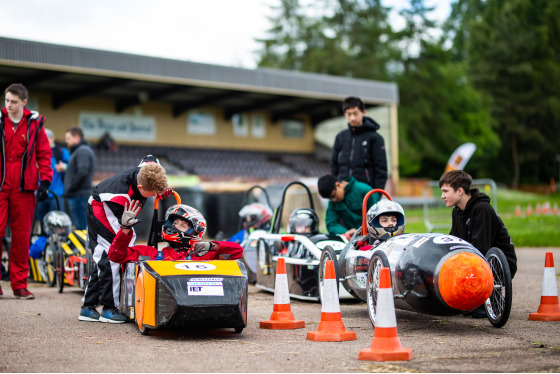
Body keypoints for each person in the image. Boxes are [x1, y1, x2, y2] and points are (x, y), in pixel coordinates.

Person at [79, 157, 171, 323]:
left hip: (120, 209)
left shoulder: (149, 170)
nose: (155, 196)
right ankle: (109, 308)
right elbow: (118, 240)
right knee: (113, 255)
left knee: (124, 249)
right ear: (140, 187)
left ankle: (88, 306)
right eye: (153, 194)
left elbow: (150, 159)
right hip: (102, 208)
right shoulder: (120, 194)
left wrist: (162, 187)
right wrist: (124, 227)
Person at [439, 170, 517, 318]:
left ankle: (487, 300)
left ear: (460, 191)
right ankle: (471, 300)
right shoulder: (457, 211)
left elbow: (481, 248)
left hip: (500, 263)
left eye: (445, 191)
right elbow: (453, 241)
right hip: (476, 259)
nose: (442, 196)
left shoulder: (482, 210)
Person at [0, 83, 52, 299]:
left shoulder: (35, 125)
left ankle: (19, 285)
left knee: (22, 238)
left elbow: (44, 154)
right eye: (6, 101)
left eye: (13, 101)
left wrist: (46, 182)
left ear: (24, 102)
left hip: (24, 188)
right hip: (1, 186)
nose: (8, 105)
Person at [108, 201, 243, 263]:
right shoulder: (150, 254)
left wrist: (211, 246)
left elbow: (237, 252)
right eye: (174, 223)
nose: (176, 226)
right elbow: (116, 256)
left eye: (183, 225)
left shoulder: (205, 256)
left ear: (194, 232)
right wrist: (125, 229)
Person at [331, 96, 388, 190]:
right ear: (345, 114)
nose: (352, 117)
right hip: (343, 190)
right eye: (349, 114)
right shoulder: (340, 137)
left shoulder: (375, 138)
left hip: (365, 191)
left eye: (355, 113)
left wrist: (377, 194)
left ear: (363, 112)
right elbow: (334, 166)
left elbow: (381, 170)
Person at [317, 174, 379, 239]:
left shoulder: (365, 191)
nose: (333, 200)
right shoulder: (333, 202)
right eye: (330, 198)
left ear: (338, 185)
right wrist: (346, 232)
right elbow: (331, 224)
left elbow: (378, 218)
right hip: (352, 240)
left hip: (372, 237)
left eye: (333, 196)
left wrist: (363, 232)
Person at [36, 129, 71, 222]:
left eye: (45, 139)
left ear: (52, 139)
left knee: (57, 223)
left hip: (56, 195)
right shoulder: (36, 152)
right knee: (41, 222)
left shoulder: (60, 152)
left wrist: (65, 167)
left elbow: (72, 165)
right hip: (40, 194)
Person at [64, 127, 95, 230]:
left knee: (81, 227)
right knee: (80, 226)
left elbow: (82, 172)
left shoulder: (82, 151)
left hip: (79, 196)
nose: (66, 141)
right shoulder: (79, 151)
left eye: (68, 138)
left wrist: (71, 187)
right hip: (78, 195)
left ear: (76, 138)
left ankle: (83, 246)